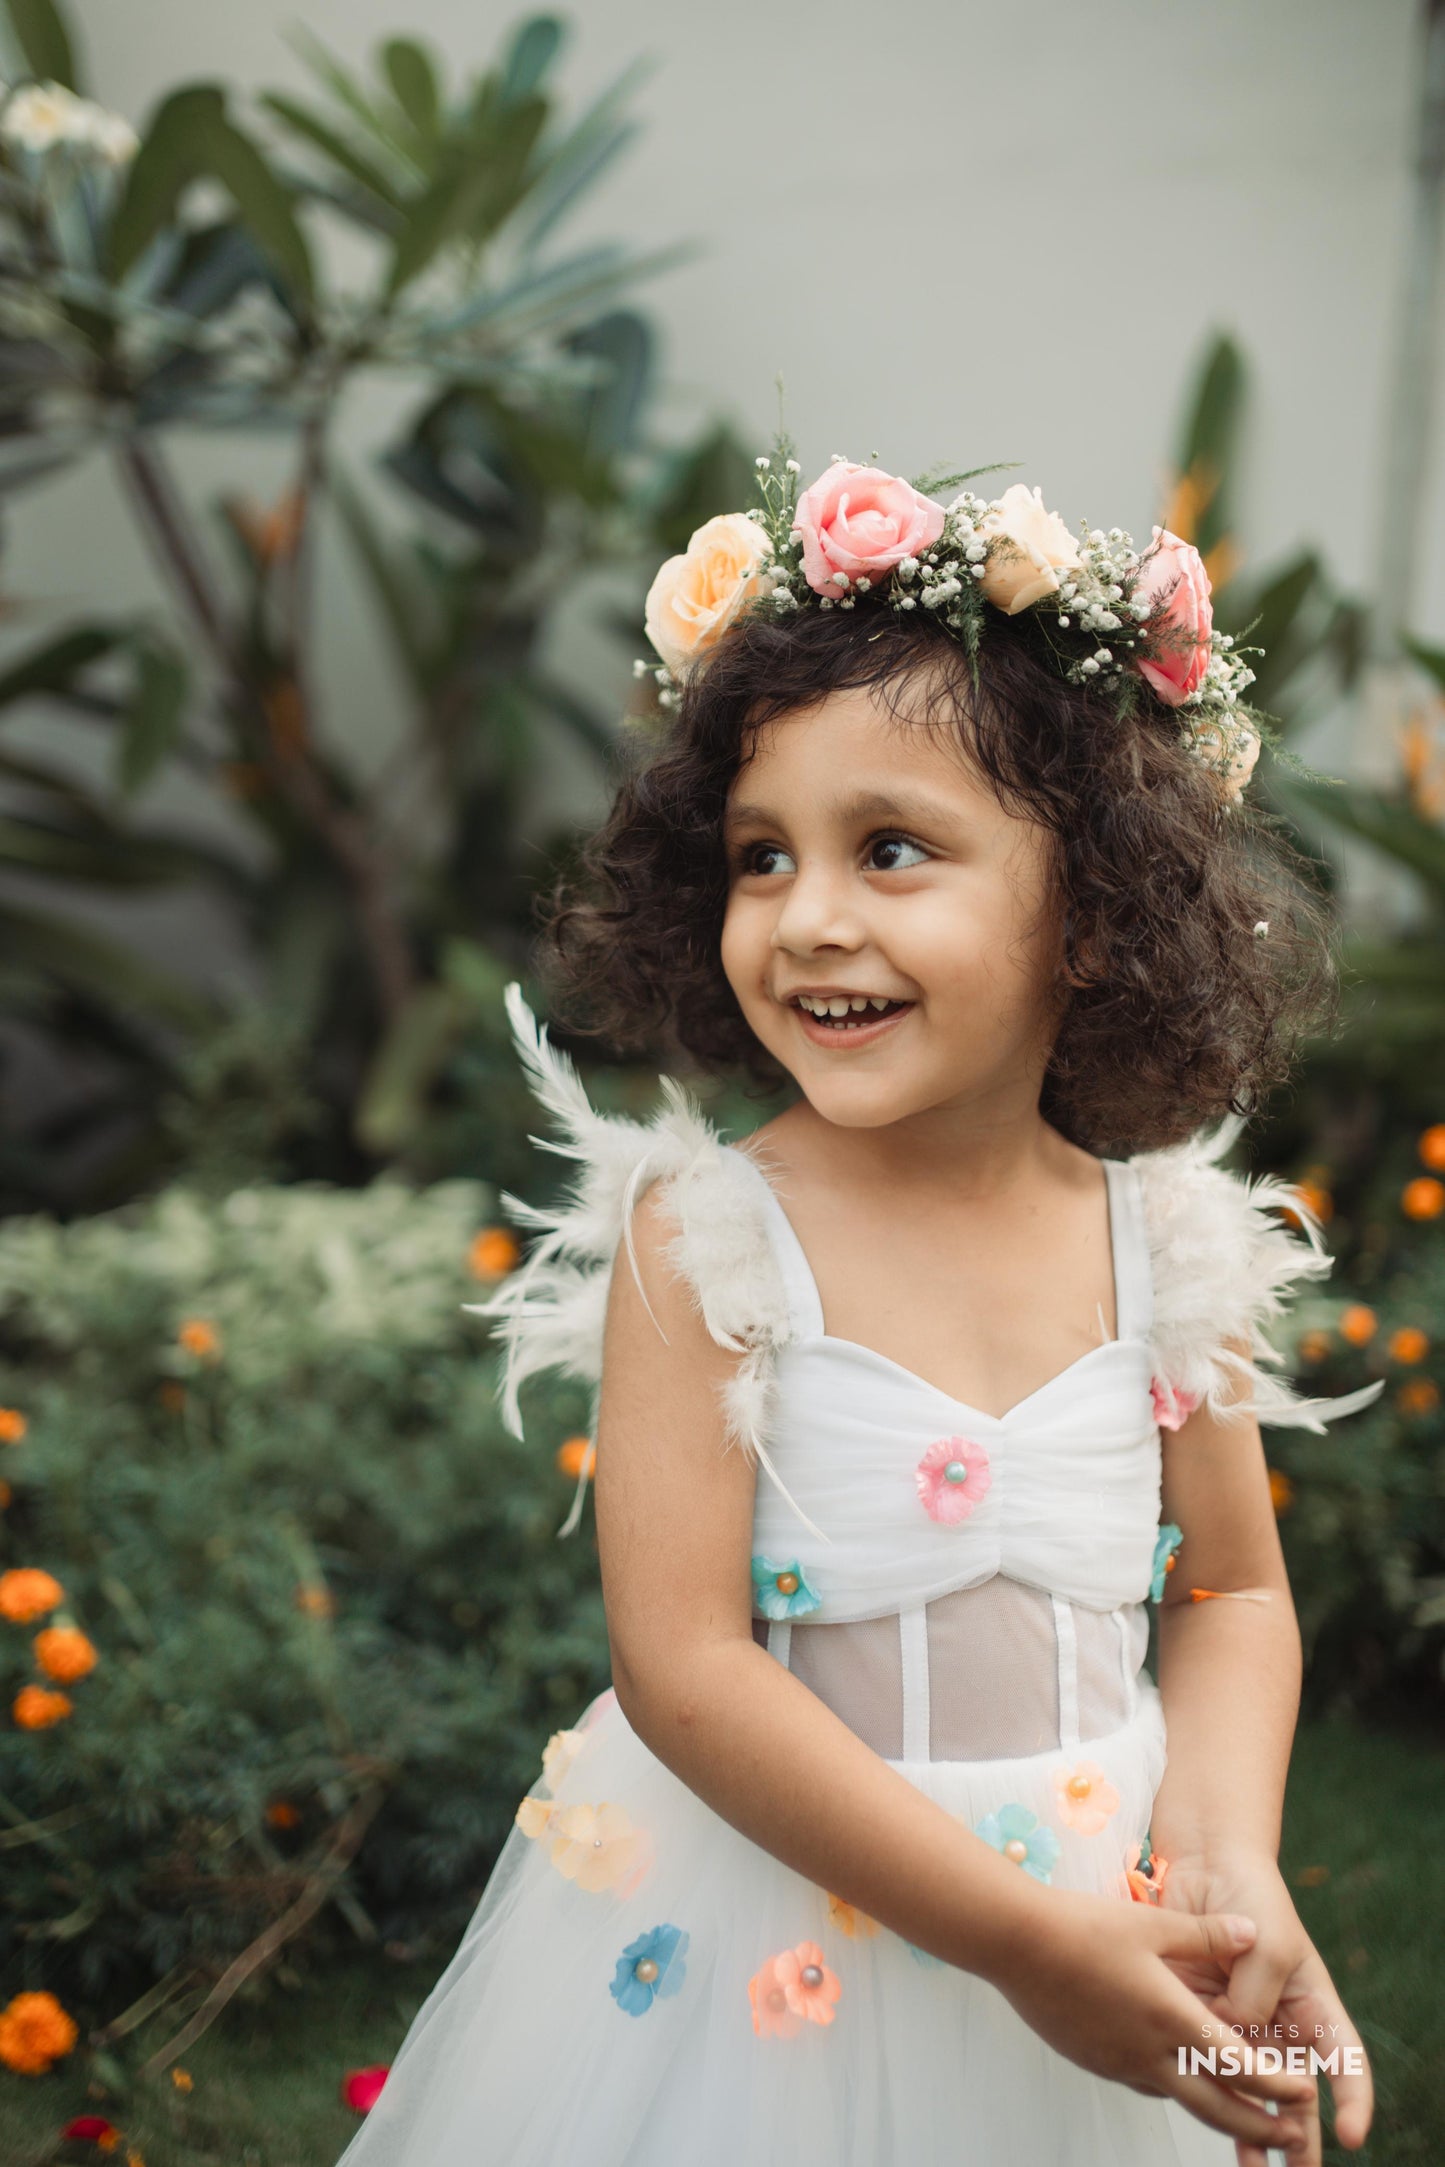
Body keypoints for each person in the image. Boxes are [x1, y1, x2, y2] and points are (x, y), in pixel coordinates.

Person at [335, 451, 1384, 2166]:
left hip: (1098, 1899)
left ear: (1097, 912)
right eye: (760, 856)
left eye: (889, 848)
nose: (807, 918)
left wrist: (1220, 1863)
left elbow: (1232, 1585)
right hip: (775, 1942)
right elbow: (681, 1668)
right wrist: (1024, 1945)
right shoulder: (714, 1241)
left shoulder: (1168, 1253)